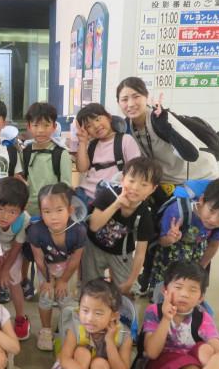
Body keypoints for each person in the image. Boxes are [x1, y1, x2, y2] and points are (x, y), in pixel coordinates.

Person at [150, 177, 219, 301]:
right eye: (211, 211)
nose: (214, 220)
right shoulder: (178, 211)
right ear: (202, 200)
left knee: (187, 293)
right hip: (169, 258)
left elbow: (214, 245)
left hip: (196, 257)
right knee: (165, 293)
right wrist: (170, 238)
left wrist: (200, 269)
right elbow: (161, 241)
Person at [116, 76, 219, 189]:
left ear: (146, 97)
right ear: (118, 103)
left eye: (136, 97)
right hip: (166, 181)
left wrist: (165, 128)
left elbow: (191, 155)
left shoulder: (160, 118)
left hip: (199, 177)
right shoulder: (126, 126)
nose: (131, 104)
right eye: (124, 99)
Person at [83, 157, 161, 295]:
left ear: (153, 189)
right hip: (94, 247)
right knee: (90, 288)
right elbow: (94, 226)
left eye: (144, 184)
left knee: (125, 291)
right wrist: (116, 204)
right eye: (131, 181)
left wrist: (130, 281)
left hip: (121, 253)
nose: (135, 188)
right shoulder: (108, 194)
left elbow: (140, 253)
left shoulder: (145, 214)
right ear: (123, 179)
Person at [27, 183, 86, 351]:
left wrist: (63, 280)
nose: (53, 217)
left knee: (65, 298)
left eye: (59, 210)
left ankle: (68, 329)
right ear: (40, 213)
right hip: (45, 268)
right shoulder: (35, 231)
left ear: (70, 210)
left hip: (68, 269)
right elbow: (39, 259)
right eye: (47, 212)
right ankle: (46, 330)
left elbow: (75, 260)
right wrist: (48, 280)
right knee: (46, 296)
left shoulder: (79, 231)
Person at [74, 102, 141, 205]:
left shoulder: (126, 140)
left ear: (109, 117)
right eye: (89, 126)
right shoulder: (92, 145)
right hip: (84, 193)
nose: (96, 126)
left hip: (109, 197)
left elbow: (136, 172)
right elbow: (82, 168)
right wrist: (82, 142)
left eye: (98, 119)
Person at [0, 177, 31, 340]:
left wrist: (5, 269)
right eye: (0, 209)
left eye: (12, 212)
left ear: (22, 210)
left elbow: (17, 246)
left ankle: (20, 318)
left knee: (14, 281)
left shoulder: (24, 219)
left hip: (12, 251)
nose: (5, 216)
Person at [20, 102, 72, 217]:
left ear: (54, 127)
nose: (41, 130)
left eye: (46, 125)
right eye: (36, 125)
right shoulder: (25, 152)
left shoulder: (61, 154)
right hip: (29, 211)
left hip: (52, 211)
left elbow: (66, 187)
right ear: (29, 127)